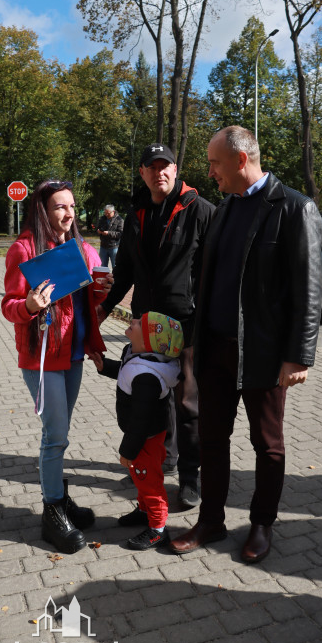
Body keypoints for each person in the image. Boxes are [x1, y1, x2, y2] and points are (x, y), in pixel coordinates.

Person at [169, 126, 322, 563]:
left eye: (215, 162)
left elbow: (309, 289)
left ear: (240, 159)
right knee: (212, 438)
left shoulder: (294, 207)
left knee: (267, 443)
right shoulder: (223, 210)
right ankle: (211, 521)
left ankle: (261, 524)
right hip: (214, 348)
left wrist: (298, 355)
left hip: (264, 354)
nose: (210, 171)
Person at [97, 143, 215, 508]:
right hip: (145, 325)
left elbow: (214, 274)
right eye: (152, 167)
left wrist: (208, 322)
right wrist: (103, 310)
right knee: (151, 398)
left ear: (176, 170)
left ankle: (191, 476)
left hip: (186, 325)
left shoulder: (201, 211)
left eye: (166, 166)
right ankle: (162, 461)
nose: (159, 173)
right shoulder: (135, 215)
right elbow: (125, 272)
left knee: (188, 404)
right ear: (143, 173)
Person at [1, 179, 110, 555]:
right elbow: (10, 306)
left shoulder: (81, 248)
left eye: (73, 206)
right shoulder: (25, 249)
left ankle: (61, 500)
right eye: (61, 207)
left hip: (74, 353)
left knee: (60, 432)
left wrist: (104, 287)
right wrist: (29, 306)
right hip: (42, 357)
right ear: (43, 212)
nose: (69, 213)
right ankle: (52, 512)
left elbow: (89, 298)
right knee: (55, 434)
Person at [89, 312, 184, 550]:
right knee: (143, 480)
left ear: (150, 341)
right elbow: (125, 372)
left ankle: (158, 529)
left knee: (149, 483)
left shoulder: (146, 377)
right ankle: (144, 512)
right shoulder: (141, 357)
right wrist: (105, 366)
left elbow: (141, 419)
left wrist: (128, 451)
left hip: (144, 439)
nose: (132, 321)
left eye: (139, 323)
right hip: (146, 436)